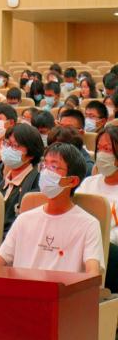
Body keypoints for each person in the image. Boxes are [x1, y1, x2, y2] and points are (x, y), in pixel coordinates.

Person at [0, 142, 101, 275]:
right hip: (22, 286)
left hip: (63, 288)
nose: (46, 172)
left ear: (72, 181)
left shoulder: (88, 225)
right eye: (44, 165)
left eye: (53, 166)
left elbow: (93, 275)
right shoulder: (24, 219)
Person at [78, 125, 118, 291]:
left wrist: (96, 241)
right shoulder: (89, 183)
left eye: (107, 149)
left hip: (110, 249)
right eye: (99, 149)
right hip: (81, 244)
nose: (101, 154)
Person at [0, 123, 43, 237]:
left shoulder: (37, 184)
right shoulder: (0, 184)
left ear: (31, 154)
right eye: (7, 144)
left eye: (15, 146)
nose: (9, 149)